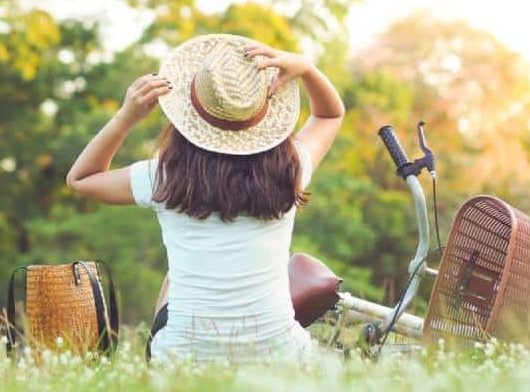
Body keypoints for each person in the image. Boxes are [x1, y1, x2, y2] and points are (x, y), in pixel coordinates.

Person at [66, 34, 345, 363]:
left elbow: (81, 178)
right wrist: (307, 69)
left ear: (189, 116)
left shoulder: (163, 177)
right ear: (263, 116)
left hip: (182, 360)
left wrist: (127, 116)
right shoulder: (292, 168)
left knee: (174, 278)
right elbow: (330, 115)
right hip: (279, 357)